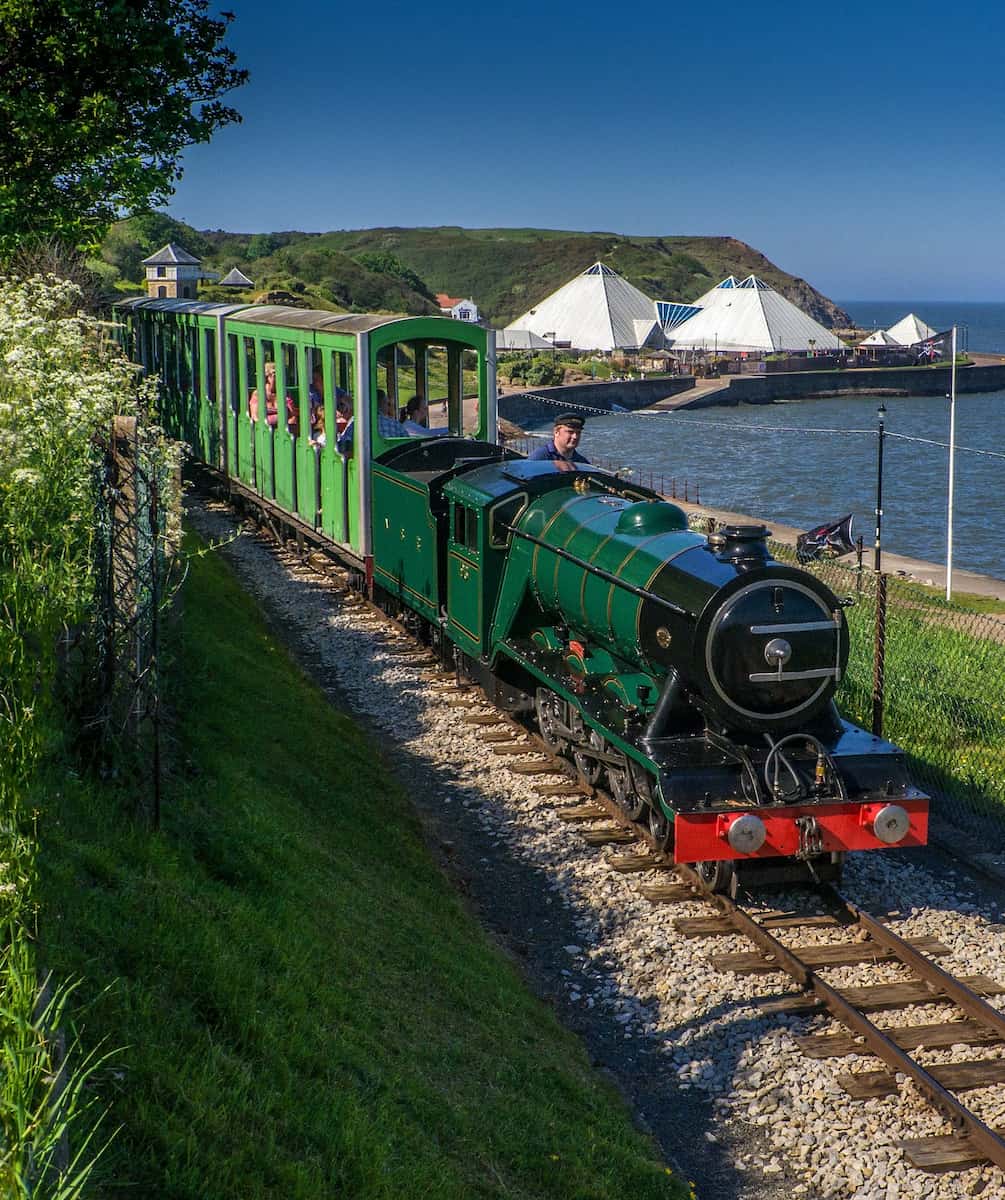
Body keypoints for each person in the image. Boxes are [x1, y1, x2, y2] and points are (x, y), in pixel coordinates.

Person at [335, 388, 406, 454]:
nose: (389, 407)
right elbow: (407, 445)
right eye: (388, 404)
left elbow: (343, 446)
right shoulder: (396, 425)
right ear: (383, 404)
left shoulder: (355, 425)